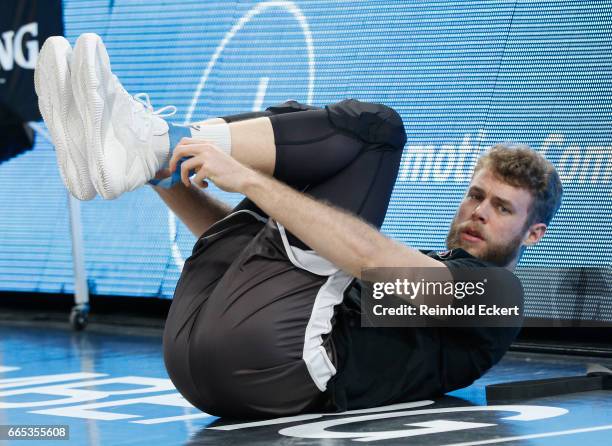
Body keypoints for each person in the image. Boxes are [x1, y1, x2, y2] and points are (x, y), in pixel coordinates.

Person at [35, 33, 563, 419]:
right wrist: (168, 181)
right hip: (201, 354)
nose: (479, 211)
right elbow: (258, 259)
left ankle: (156, 141)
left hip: (287, 368)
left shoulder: (499, 297)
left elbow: (374, 262)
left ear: (532, 233)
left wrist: (250, 177)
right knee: (289, 156)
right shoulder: (437, 265)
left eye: (502, 208)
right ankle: (146, 156)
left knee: (373, 133)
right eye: (476, 195)